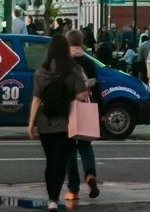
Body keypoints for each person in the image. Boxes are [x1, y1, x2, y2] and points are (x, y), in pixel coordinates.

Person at [28, 33, 88, 211]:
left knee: (50, 161)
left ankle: (50, 197)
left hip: (45, 123)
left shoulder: (41, 71)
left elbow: (37, 99)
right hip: (66, 123)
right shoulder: (74, 70)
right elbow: (81, 95)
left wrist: (31, 123)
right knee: (61, 163)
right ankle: (55, 198)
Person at [64, 30, 101, 201]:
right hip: (86, 106)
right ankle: (90, 175)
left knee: (69, 149)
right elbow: (97, 87)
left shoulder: (64, 62)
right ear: (81, 43)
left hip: (68, 108)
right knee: (85, 145)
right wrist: (100, 110)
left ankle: (73, 189)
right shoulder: (88, 61)